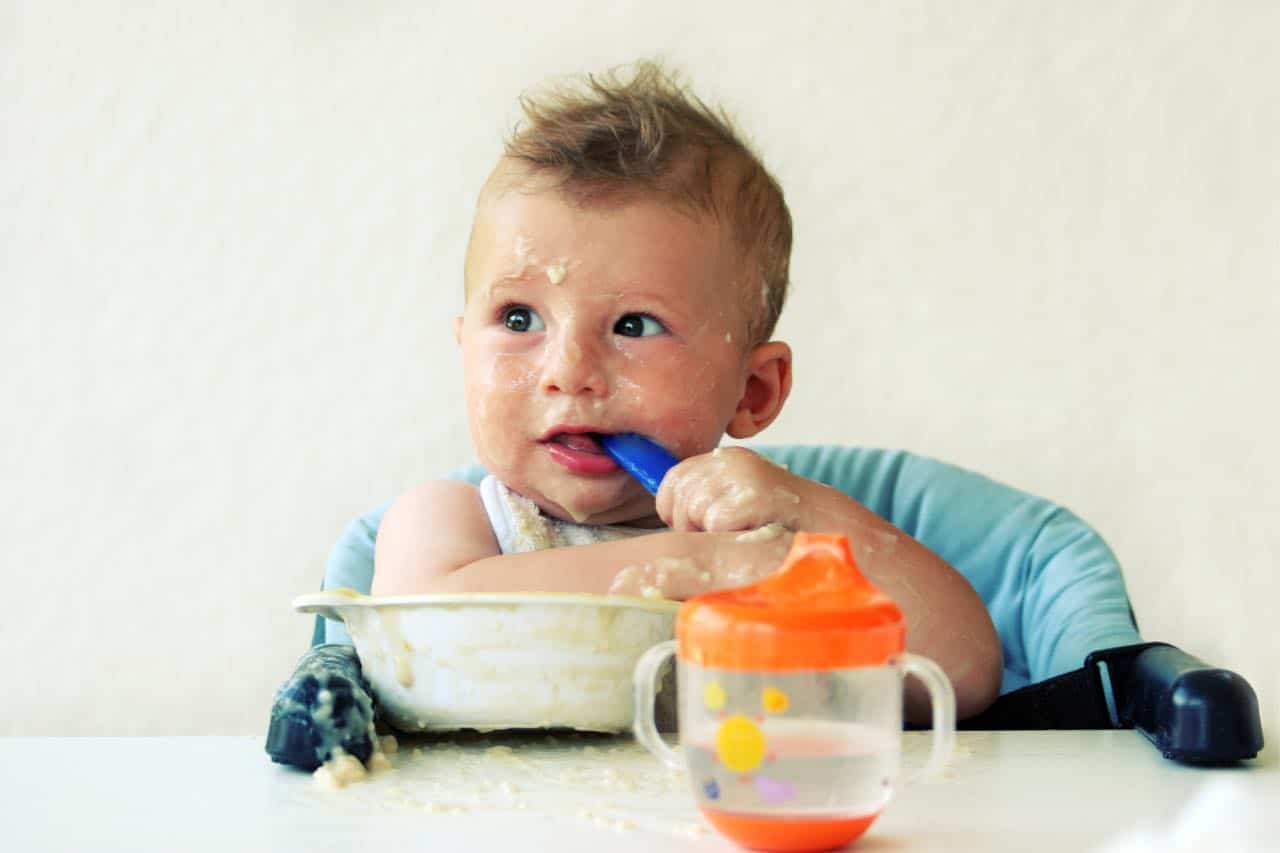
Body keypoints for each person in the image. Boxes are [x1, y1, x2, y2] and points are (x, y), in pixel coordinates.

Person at [365, 61, 1022, 722]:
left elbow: (963, 672)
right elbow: (425, 625)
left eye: (633, 326)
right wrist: (705, 564)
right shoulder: (460, 524)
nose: (568, 369)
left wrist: (809, 526)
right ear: (463, 349)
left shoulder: (771, 543)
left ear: (753, 392)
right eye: (518, 318)